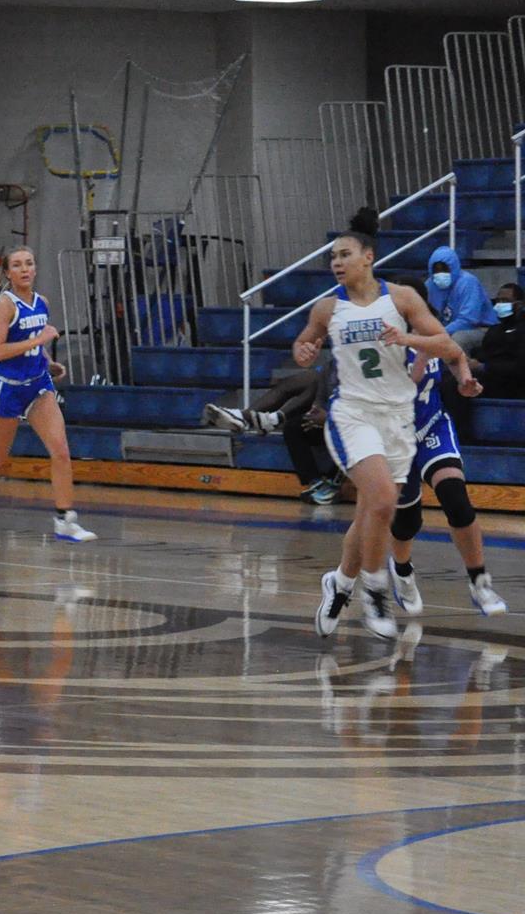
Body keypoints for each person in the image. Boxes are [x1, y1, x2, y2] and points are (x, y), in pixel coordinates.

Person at [295, 210, 480, 642]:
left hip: (398, 417)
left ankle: (340, 583)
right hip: (352, 414)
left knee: (369, 515)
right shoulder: (327, 307)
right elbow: (304, 338)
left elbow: (448, 345)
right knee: (380, 501)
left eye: (345, 254)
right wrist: (304, 349)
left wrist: (410, 341)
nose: (337, 262)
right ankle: (375, 590)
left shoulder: (401, 301)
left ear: (368, 257)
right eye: (332, 256)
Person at [0, 247, 96, 545]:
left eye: (29, 263)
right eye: (17, 265)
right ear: (8, 272)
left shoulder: (41, 302)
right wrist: (39, 339)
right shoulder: (5, 305)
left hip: (38, 385)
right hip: (7, 388)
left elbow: (31, 344)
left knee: (60, 450)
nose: (24, 269)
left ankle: (65, 520)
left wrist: (46, 359)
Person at [388, 349, 506, 617]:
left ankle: (480, 581)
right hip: (394, 437)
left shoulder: (426, 327)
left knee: (457, 501)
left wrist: (464, 379)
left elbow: (454, 354)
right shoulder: (381, 339)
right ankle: (402, 571)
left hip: (432, 426)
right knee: (408, 522)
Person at [200, 363, 341, 504]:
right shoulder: (332, 363)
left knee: (356, 437)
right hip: (329, 418)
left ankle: (332, 483)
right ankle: (314, 481)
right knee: (294, 426)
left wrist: (329, 418)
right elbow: (320, 393)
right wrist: (317, 409)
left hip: (348, 424)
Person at [426, 245, 499, 356]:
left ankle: (460, 372)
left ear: (453, 267)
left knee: (458, 338)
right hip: (444, 330)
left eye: (444, 269)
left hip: (480, 328)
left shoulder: (468, 282)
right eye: (436, 270)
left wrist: (441, 333)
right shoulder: (430, 285)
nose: (440, 273)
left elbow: (469, 320)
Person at [471, 283, 525, 396]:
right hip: (490, 378)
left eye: (505, 301)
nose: (500, 304)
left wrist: (485, 367)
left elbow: (519, 366)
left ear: (519, 305)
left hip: (514, 382)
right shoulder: (495, 329)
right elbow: (485, 352)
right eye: (498, 301)